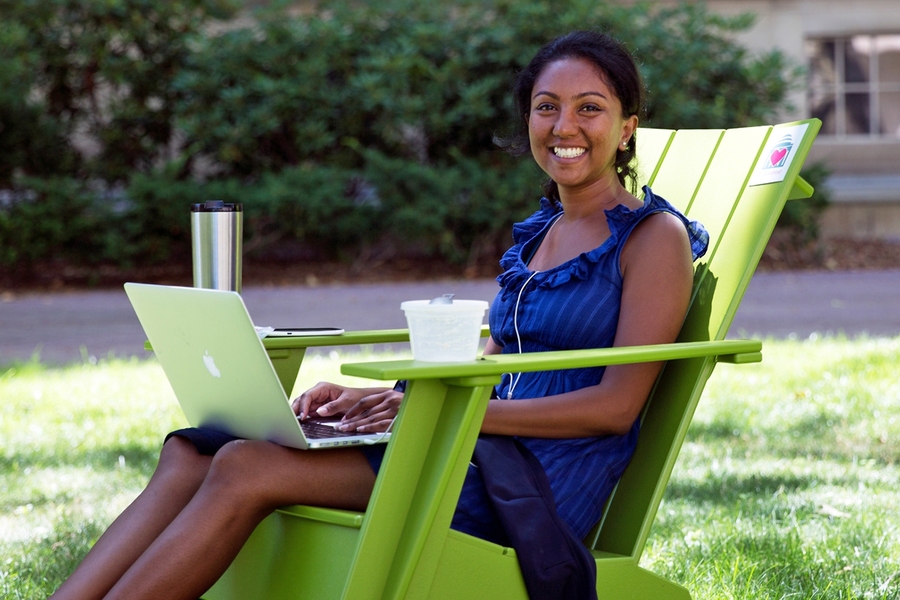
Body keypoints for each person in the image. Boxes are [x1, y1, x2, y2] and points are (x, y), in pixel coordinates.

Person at [52, 30, 708, 600]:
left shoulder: (653, 238)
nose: (564, 126)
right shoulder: (540, 232)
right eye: (547, 107)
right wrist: (384, 398)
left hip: (533, 487)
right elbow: (504, 354)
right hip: (475, 445)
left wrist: (450, 414)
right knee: (195, 451)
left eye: (589, 108)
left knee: (245, 466)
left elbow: (617, 405)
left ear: (626, 126)